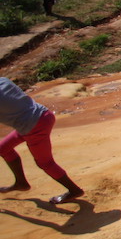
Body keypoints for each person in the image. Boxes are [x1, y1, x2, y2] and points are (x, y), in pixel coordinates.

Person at [0, 77, 85, 205]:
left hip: (32, 126)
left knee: (45, 163)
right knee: (3, 148)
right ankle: (21, 183)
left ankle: (74, 190)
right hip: (43, 115)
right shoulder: (3, 80)